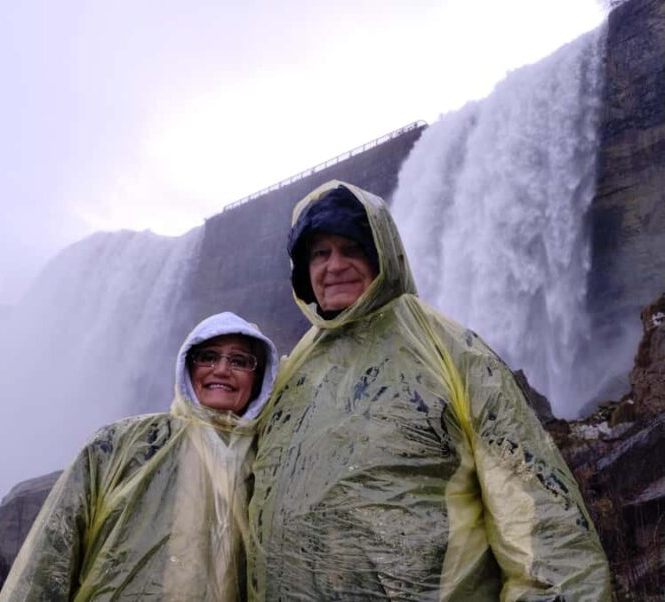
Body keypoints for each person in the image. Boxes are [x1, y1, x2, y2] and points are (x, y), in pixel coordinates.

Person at [248, 181, 611, 600]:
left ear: (382, 253)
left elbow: (539, 515)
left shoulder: (453, 353)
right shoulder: (295, 368)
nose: (335, 266)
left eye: (352, 249)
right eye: (320, 254)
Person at [0, 311, 278, 601]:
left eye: (239, 361)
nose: (221, 369)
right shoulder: (120, 444)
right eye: (208, 356)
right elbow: (51, 552)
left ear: (259, 378)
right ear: (187, 366)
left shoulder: (267, 463)